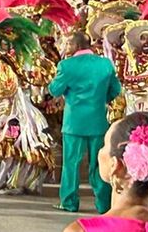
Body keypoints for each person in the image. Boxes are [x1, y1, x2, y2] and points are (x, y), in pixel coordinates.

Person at [51, 30, 123, 214]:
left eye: (68, 44)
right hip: (98, 121)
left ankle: (69, 202)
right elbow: (115, 89)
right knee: (99, 164)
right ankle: (103, 204)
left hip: (73, 123)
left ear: (76, 46)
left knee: (71, 164)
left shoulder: (66, 65)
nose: (66, 47)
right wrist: (101, 100)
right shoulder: (105, 64)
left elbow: (54, 90)